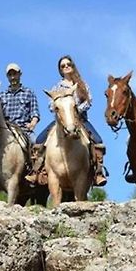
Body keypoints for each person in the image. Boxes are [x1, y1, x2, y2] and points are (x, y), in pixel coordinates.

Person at [26, 55, 107, 187]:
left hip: (81, 119)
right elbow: (50, 105)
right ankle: (37, 170)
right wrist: (61, 110)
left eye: (68, 64)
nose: (66, 67)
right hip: (62, 120)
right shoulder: (57, 86)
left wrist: (75, 111)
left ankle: (98, 173)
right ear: (60, 70)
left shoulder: (82, 84)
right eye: (63, 66)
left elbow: (89, 101)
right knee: (39, 140)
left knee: (98, 141)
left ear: (72, 66)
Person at [0, 63, 40, 144]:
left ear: (20, 74)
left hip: (24, 130)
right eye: (10, 75)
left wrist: (32, 124)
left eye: (15, 74)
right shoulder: (1, 95)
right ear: (7, 77)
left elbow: (35, 113)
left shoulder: (29, 92)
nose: (12, 77)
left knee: (37, 143)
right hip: (6, 131)